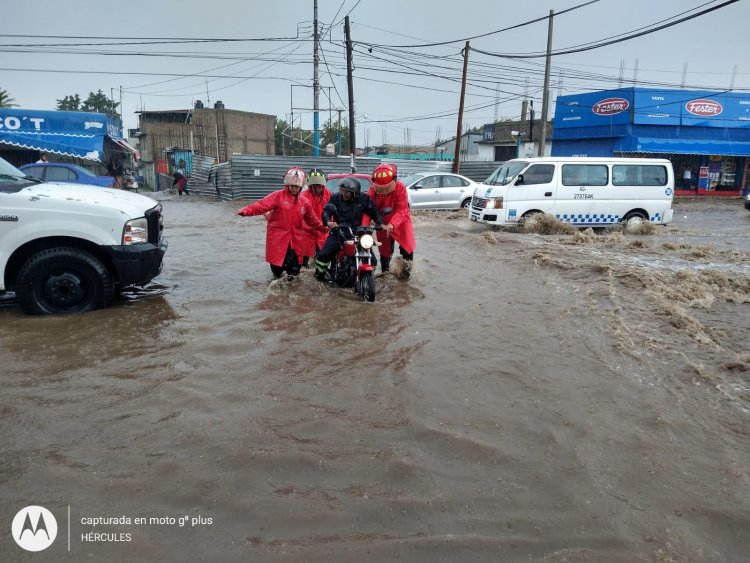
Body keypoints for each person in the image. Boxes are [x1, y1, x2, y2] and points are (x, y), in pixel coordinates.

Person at [237, 167, 324, 279]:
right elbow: (261, 205)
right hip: (278, 240)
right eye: (292, 186)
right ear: (287, 184)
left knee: (294, 273)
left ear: (301, 186)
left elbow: (313, 220)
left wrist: (325, 228)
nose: (294, 189)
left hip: (295, 242)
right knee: (277, 272)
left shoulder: (304, 202)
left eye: (297, 187)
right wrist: (245, 211)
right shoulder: (277, 196)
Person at [313, 177, 384, 281]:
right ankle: (319, 275)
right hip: (339, 232)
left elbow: (374, 212)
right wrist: (328, 221)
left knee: (372, 260)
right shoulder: (335, 197)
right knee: (323, 254)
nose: (344, 194)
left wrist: (381, 224)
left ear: (355, 193)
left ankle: (366, 278)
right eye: (342, 190)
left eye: (347, 192)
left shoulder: (364, 198)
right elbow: (326, 211)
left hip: (357, 234)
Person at [368, 163, 416, 278]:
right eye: (380, 188)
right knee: (384, 252)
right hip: (382, 224)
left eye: (386, 188)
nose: (383, 191)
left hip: (401, 221)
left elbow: (403, 209)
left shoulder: (400, 187)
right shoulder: (372, 191)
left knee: (407, 249)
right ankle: (385, 275)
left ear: (394, 180)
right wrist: (363, 228)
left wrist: (392, 224)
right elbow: (368, 211)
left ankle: (405, 277)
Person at [298, 168, 332, 267]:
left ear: (323, 186)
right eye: (314, 186)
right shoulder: (303, 196)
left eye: (319, 186)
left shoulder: (329, 195)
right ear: (310, 186)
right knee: (304, 258)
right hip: (307, 231)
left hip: (323, 231)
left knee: (323, 257)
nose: (317, 189)